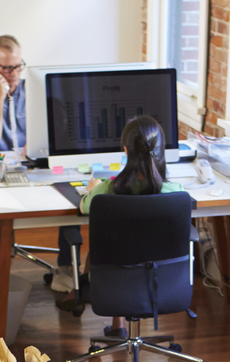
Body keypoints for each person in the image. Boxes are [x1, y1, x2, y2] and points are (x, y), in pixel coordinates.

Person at [0, 34, 80, 291]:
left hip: (35, 168)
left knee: (72, 196)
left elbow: (58, 130)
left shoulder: (35, 90)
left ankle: (66, 268)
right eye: (5, 68)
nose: (13, 73)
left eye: (17, 66)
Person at [60, 115, 184, 334]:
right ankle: (118, 325)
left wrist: (92, 188)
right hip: (163, 282)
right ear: (161, 150)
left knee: (112, 247)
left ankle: (116, 323)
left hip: (113, 281)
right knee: (130, 249)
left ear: (126, 151)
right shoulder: (176, 192)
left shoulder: (107, 190)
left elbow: (83, 207)